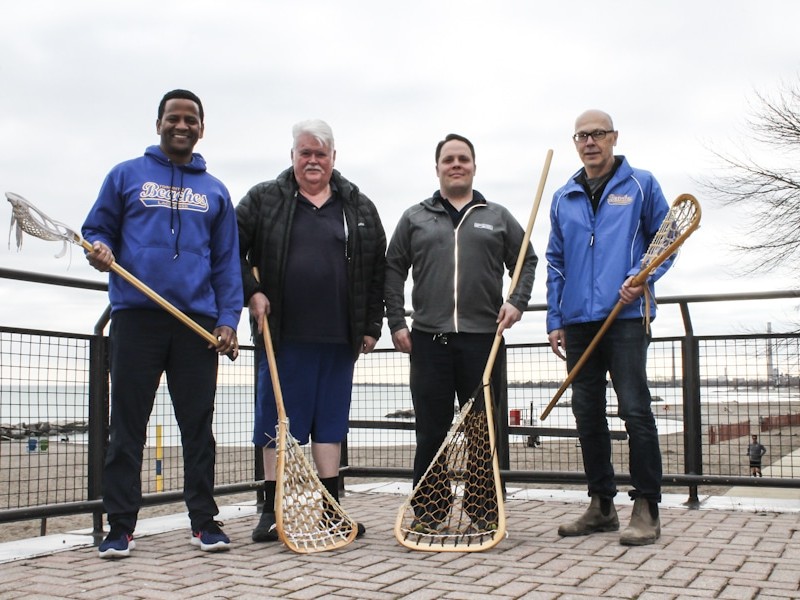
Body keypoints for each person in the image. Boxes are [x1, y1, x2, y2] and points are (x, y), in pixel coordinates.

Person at [82, 89, 243, 558]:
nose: (182, 125)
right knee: (127, 427)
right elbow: (97, 230)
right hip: (136, 318)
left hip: (196, 323)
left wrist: (228, 319)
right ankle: (120, 527)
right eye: (174, 117)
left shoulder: (215, 191)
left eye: (191, 119)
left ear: (201, 128)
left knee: (198, 428)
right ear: (159, 124)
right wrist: (100, 249)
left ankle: (204, 522)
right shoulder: (125, 175)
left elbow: (226, 263)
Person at [236, 119, 386, 542]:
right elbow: (228, 248)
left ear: (334, 157)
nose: (313, 160)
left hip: (340, 337)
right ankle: (271, 512)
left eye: (321, 153)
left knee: (331, 426)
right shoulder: (264, 198)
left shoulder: (359, 205)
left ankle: (331, 511)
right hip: (282, 336)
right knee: (276, 425)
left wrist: (371, 326)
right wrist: (252, 292)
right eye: (306, 153)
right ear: (293, 156)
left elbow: (377, 269)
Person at [384, 133, 537, 529]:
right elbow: (393, 268)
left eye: (463, 159)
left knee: (482, 432)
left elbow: (526, 260)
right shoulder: (415, 217)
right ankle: (429, 513)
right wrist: (397, 321)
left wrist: (517, 301)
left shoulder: (497, 216)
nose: (456, 164)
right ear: (437, 168)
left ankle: (484, 513)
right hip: (428, 341)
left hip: (483, 341)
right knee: (430, 431)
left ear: (474, 167)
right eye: (448, 159)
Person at [546, 109, 673, 546]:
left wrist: (641, 277)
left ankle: (647, 507)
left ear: (614, 137)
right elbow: (555, 261)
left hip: (626, 317)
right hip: (578, 321)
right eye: (581, 135)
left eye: (597, 134)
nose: (589, 142)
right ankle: (601, 505)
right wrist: (555, 318)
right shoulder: (563, 196)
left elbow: (666, 240)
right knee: (586, 413)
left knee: (635, 409)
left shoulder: (642, 184)